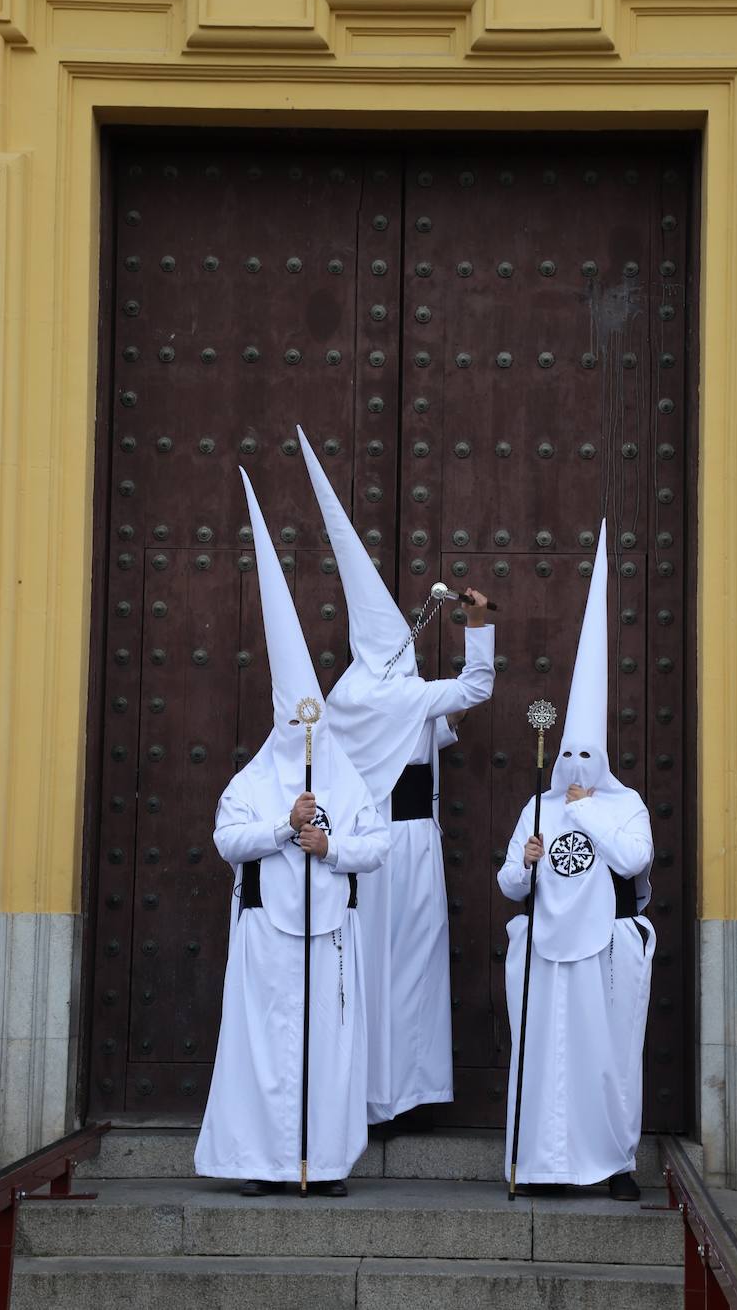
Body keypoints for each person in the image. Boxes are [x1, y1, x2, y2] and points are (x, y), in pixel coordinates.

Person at [194, 469, 389, 1197]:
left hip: (332, 933)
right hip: (265, 934)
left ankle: (324, 1163)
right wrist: (284, 827)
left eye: (314, 723)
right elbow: (226, 841)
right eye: (292, 724)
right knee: (263, 1047)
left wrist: (329, 847)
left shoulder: (348, 779)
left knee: (327, 1049)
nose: (304, 737)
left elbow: (377, 846)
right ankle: (261, 1163)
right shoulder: (251, 781)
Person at [298, 426, 496, 1126]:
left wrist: (439, 716)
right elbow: (473, 690)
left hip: (360, 845)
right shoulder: (403, 692)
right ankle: (399, 1094)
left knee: (369, 967)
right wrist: (476, 623)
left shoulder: (347, 696)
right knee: (410, 968)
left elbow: (433, 733)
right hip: (405, 845)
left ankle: (366, 1091)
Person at [498, 522, 655, 1200]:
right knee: (545, 1057)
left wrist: (589, 809)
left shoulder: (623, 805)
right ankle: (543, 1164)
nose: (578, 769)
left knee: (605, 1060)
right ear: (557, 758)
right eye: (570, 759)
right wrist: (529, 861)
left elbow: (635, 859)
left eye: (589, 759)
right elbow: (508, 884)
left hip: (607, 952)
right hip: (546, 948)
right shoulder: (537, 810)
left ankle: (613, 1163)